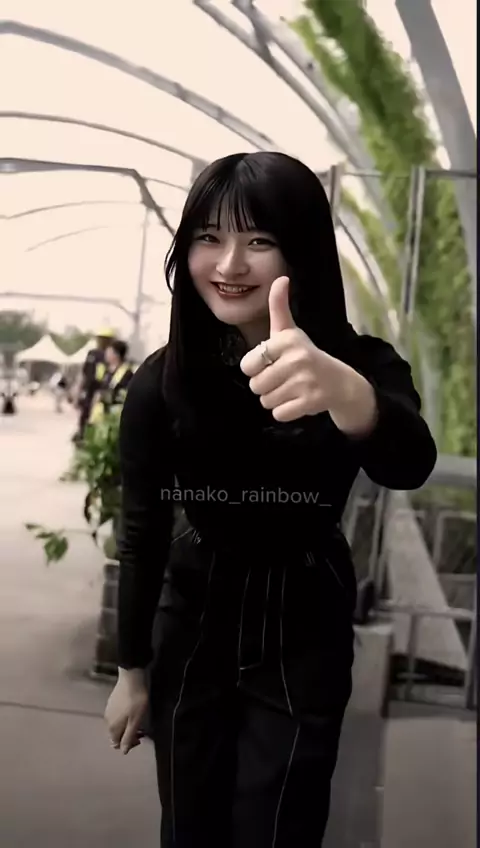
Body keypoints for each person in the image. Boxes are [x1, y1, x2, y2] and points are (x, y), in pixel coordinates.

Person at [105, 152, 437, 847]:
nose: (230, 263)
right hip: (193, 618)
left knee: (281, 826)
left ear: (302, 251)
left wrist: (348, 395)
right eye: (209, 237)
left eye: (258, 240)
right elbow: (141, 530)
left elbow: (410, 463)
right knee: (188, 827)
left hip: (303, 616)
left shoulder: (361, 363)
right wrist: (131, 669)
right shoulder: (163, 380)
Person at [72, 328, 115, 442]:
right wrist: (77, 391)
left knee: (97, 416)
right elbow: (84, 373)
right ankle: (82, 435)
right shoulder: (92, 354)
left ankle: (93, 439)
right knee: (84, 414)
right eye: (100, 339)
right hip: (88, 390)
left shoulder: (111, 356)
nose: (102, 341)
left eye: (105, 339)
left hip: (101, 390)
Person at [89, 340, 134, 424]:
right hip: (100, 416)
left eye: (109, 352)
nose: (106, 354)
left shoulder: (126, 374)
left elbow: (123, 395)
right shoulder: (107, 371)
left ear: (116, 355)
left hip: (114, 417)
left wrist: (102, 396)